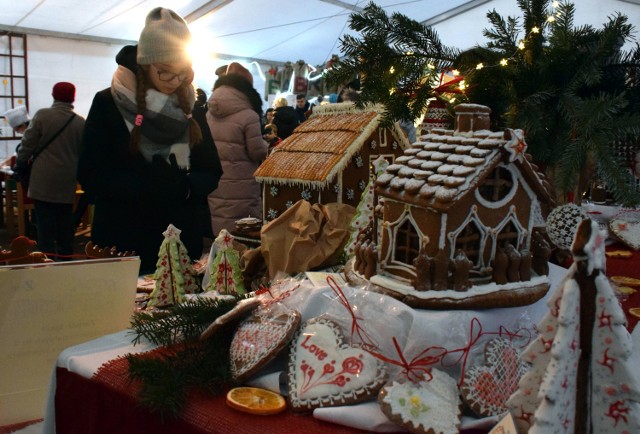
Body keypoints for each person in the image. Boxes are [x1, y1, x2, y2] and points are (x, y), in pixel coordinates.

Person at [77, 7, 223, 273]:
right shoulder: (109, 102)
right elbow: (90, 173)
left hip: (177, 239)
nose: (175, 80)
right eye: (165, 71)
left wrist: (185, 187)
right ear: (146, 64)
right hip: (123, 238)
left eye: (183, 73)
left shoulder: (190, 105)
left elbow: (211, 169)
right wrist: (140, 187)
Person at [14, 82, 85, 259]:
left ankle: (45, 258)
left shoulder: (42, 116)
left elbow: (27, 143)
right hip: (67, 178)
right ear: (73, 97)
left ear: (53, 95)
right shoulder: (79, 122)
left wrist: (20, 163)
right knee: (64, 221)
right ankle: (65, 256)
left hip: (42, 178)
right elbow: (83, 152)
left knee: (44, 222)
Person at [206, 62, 268, 235]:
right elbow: (256, 151)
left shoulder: (209, 112)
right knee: (244, 234)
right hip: (243, 184)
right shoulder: (249, 115)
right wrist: (266, 146)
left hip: (216, 182)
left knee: (221, 230)